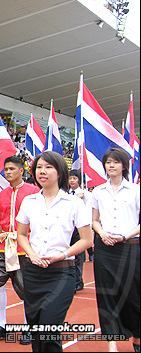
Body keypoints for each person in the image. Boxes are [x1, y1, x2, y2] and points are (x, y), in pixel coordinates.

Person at [17, 151, 92, 352]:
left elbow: (87, 239)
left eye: (48, 167)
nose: (43, 171)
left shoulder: (74, 203)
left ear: (59, 172)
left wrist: (63, 254)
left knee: (49, 330)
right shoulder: (29, 201)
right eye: (39, 167)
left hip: (61, 273)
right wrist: (32, 255)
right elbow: (21, 235)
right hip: (33, 273)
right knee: (35, 330)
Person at [90, 148, 140, 353]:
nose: (111, 165)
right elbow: (93, 220)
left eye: (116, 162)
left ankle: (137, 338)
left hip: (130, 248)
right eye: (108, 162)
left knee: (133, 296)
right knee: (106, 295)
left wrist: (125, 236)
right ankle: (112, 344)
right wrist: (102, 233)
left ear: (123, 165)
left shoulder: (136, 190)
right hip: (105, 249)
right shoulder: (98, 191)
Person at [0, 156, 40, 343]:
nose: (8, 172)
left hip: (23, 247)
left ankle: (29, 327)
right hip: (3, 245)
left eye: (11, 169)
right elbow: (1, 222)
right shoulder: (2, 193)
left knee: (27, 288)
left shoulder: (34, 192)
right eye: (6, 169)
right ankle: (1, 324)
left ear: (22, 170)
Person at [67, 169, 93, 293]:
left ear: (79, 180)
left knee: (78, 256)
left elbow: (88, 210)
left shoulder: (86, 194)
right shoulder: (65, 194)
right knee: (68, 254)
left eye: (74, 178)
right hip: (68, 228)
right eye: (70, 178)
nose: (72, 180)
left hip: (79, 228)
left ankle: (78, 281)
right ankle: (71, 281)